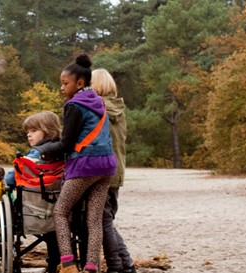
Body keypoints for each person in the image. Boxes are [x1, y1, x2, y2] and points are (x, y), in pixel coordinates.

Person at [39, 53, 117, 273]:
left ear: (79, 83)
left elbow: (66, 144)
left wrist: (42, 150)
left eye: (65, 83)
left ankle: (68, 264)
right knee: (94, 220)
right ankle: (91, 266)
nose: (62, 88)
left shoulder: (74, 105)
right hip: (107, 165)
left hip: (85, 166)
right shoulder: (99, 102)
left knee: (61, 212)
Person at [3, 111, 63, 273]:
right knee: (54, 233)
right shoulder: (65, 152)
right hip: (59, 211)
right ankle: (54, 264)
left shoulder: (36, 153)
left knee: (8, 196)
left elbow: (14, 176)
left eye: (33, 131)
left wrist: (2, 184)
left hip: (33, 211)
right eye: (27, 132)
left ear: (48, 130)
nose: (29, 135)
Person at [92, 68, 136, 273]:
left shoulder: (97, 110)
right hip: (117, 171)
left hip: (101, 170)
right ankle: (126, 264)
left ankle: (118, 266)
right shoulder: (118, 108)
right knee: (106, 219)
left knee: (103, 220)